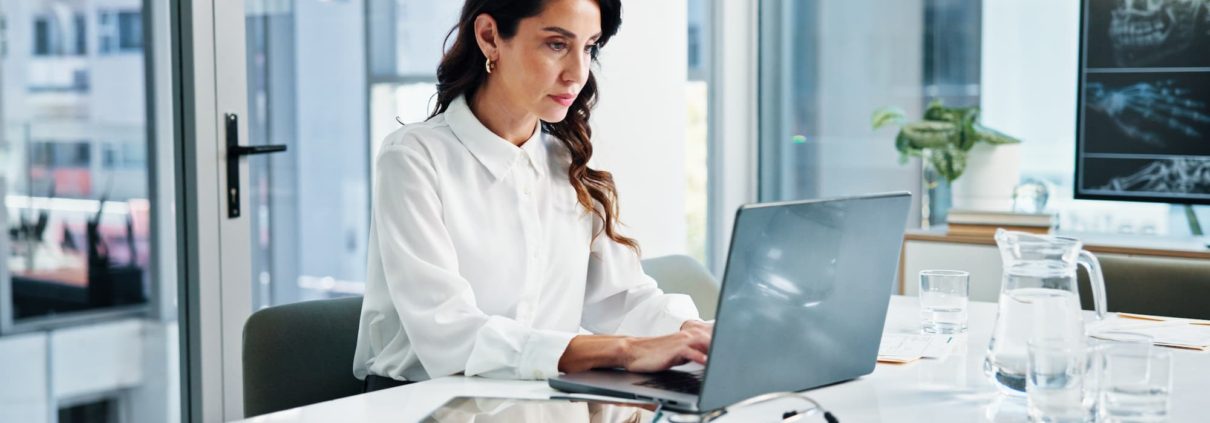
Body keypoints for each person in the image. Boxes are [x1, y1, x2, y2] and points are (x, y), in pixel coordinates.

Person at [353, 0, 713, 392]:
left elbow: (620, 299)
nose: (578, 73)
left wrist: (695, 335)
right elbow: (449, 332)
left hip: (533, 397)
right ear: (490, 37)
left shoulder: (567, 162)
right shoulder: (413, 158)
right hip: (419, 402)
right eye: (557, 45)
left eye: (589, 47)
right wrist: (624, 350)